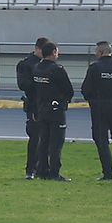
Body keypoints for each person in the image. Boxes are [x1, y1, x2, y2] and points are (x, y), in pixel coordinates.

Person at [80, 41, 112, 181]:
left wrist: (92, 99)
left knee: (102, 142)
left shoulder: (94, 68)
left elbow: (85, 90)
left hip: (99, 109)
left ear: (101, 52)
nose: (95, 54)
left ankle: (108, 173)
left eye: (96, 52)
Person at [30, 41, 74, 181]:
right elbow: (68, 90)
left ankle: (42, 171)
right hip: (56, 110)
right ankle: (54, 172)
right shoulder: (57, 69)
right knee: (56, 143)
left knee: (43, 142)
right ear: (54, 52)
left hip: (42, 108)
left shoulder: (37, 68)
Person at [15, 38, 49, 179]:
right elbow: (23, 84)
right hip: (35, 104)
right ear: (38, 49)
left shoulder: (47, 64)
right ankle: (31, 169)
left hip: (47, 104)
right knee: (35, 138)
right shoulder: (27, 64)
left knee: (48, 138)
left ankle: (43, 169)